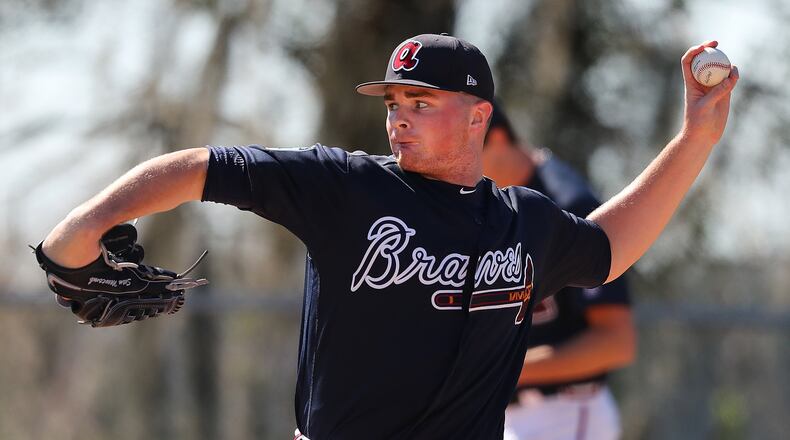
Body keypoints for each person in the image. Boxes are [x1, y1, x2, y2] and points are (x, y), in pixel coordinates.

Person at [38, 33, 738, 439]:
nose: (398, 118)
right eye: (395, 103)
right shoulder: (346, 188)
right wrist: (83, 226)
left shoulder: (523, 221)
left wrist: (696, 138)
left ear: (478, 118)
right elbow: (201, 168)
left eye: (422, 104)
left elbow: (609, 245)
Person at [483, 102, 635, 440]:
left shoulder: (569, 203)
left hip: (564, 415)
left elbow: (616, 341)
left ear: (495, 137)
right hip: (506, 415)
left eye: (466, 149)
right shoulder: (484, 205)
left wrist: (503, 369)